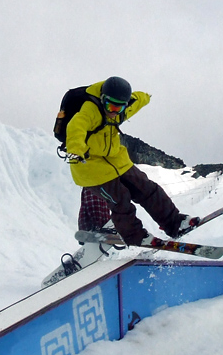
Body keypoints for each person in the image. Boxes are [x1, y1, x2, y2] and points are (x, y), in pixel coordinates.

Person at [64, 76, 198, 246]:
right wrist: (75, 150)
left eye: (119, 107)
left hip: (116, 159)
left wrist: (146, 96)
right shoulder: (90, 110)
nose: (113, 111)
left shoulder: (121, 109)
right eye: (109, 105)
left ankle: (175, 223)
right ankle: (136, 236)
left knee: (146, 187)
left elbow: (137, 100)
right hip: (90, 166)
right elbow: (76, 128)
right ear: (102, 99)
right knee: (120, 198)